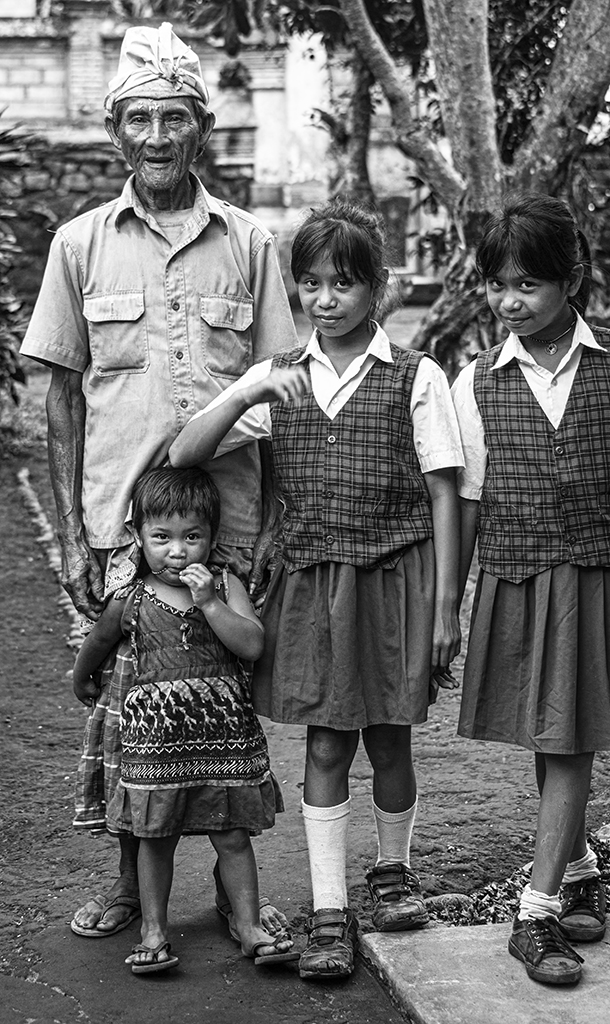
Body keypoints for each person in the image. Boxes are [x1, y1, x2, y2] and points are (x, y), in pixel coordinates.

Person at [19, 22, 297, 938]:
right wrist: (71, 530)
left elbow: (284, 389)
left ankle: (233, 883)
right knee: (126, 709)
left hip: (230, 525)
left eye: (173, 117)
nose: (156, 136)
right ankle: (129, 887)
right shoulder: (79, 244)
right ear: (116, 133)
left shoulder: (251, 241)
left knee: (226, 703)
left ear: (199, 129)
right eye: (138, 118)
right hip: (122, 527)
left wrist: (276, 528)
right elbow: (60, 398)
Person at [169, 197, 464, 980]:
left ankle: (393, 873)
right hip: (308, 584)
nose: (325, 300)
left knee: (391, 736)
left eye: (343, 284)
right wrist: (244, 394)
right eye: (311, 285)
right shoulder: (282, 378)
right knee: (327, 741)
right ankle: (329, 910)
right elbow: (184, 451)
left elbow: (442, 495)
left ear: (378, 288)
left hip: (396, 580)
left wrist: (444, 611)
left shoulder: (416, 376)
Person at [451, 192, 610, 986]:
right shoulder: (477, 382)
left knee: (569, 739)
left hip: (602, 578)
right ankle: (581, 864)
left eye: (528, 285)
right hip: (520, 580)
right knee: (555, 735)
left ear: (573, 279)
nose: (509, 302)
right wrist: (447, 610)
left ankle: (538, 910)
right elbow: (471, 503)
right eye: (497, 285)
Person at [71, 466, 297, 973]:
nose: (178, 551)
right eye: (162, 538)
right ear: (138, 539)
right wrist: (83, 678)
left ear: (212, 537)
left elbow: (252, 644)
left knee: (233, 834)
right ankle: (153, 931)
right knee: (155, 837)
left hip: (224, 740)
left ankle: (249, 925)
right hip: (155, 744)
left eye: (192, 537)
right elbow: (99, 640)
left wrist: (210, 603)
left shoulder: (224, 584)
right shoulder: (130, 597)